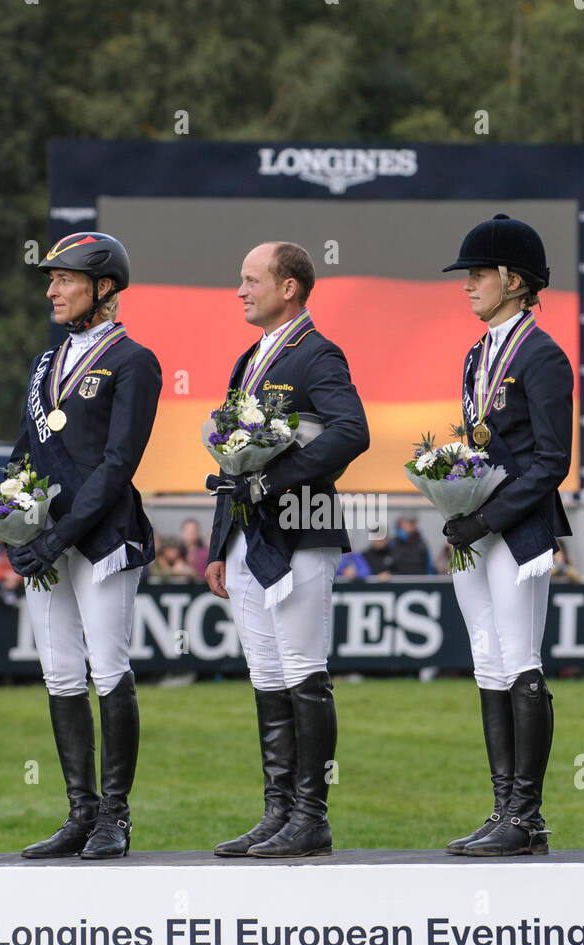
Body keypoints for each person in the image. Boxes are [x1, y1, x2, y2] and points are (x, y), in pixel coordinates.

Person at [206, 241, 369, 858]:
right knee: (267, 677)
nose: (241, 290)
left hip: (302, 528)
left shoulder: (317, 353)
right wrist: (221, 541)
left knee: (304, 672)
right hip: (250, 538)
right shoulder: (248, 358)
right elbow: (233, 457)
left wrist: (273, 480)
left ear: (290, 287)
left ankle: (311, 816)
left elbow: (353, 431)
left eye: (252, 280)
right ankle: (277, 811)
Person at [6, 232, 161, 860]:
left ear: (102, 288)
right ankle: (79, 812)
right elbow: (24, 452)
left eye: (64, 279)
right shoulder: (46, 364)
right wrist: (13, 524)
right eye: (51, 279)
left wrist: (60, 534)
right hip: (48, 543)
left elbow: (119, 463)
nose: (51, 290)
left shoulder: (135, 360)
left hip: (102, 539)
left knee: (108, 667)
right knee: (61, 673)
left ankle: (115, 818)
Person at [439, 214, 574, 857]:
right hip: (477, 531)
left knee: (520, 658)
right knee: (486, 660)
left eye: (479, 274)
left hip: (517, 532)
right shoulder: (475, 356)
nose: (468, 285)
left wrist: (486, 517)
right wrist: (452, 494)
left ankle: (527, 815)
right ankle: (502, 809)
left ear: (513, 282)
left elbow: (552, 462)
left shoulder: (543, 355)